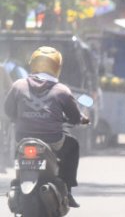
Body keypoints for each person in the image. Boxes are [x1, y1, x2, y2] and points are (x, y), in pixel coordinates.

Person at [4, 46, 88, 207]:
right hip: (53, 141)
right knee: (73, 145)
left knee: (18, 154)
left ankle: (18, 180)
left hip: (23, 139)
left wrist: (19, 118)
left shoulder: (18, 85)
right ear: (57, 67)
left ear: (33, 63)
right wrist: (81, 120)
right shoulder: (62, 90)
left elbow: (8, 111)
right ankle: (68, 189)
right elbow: (75, 118)